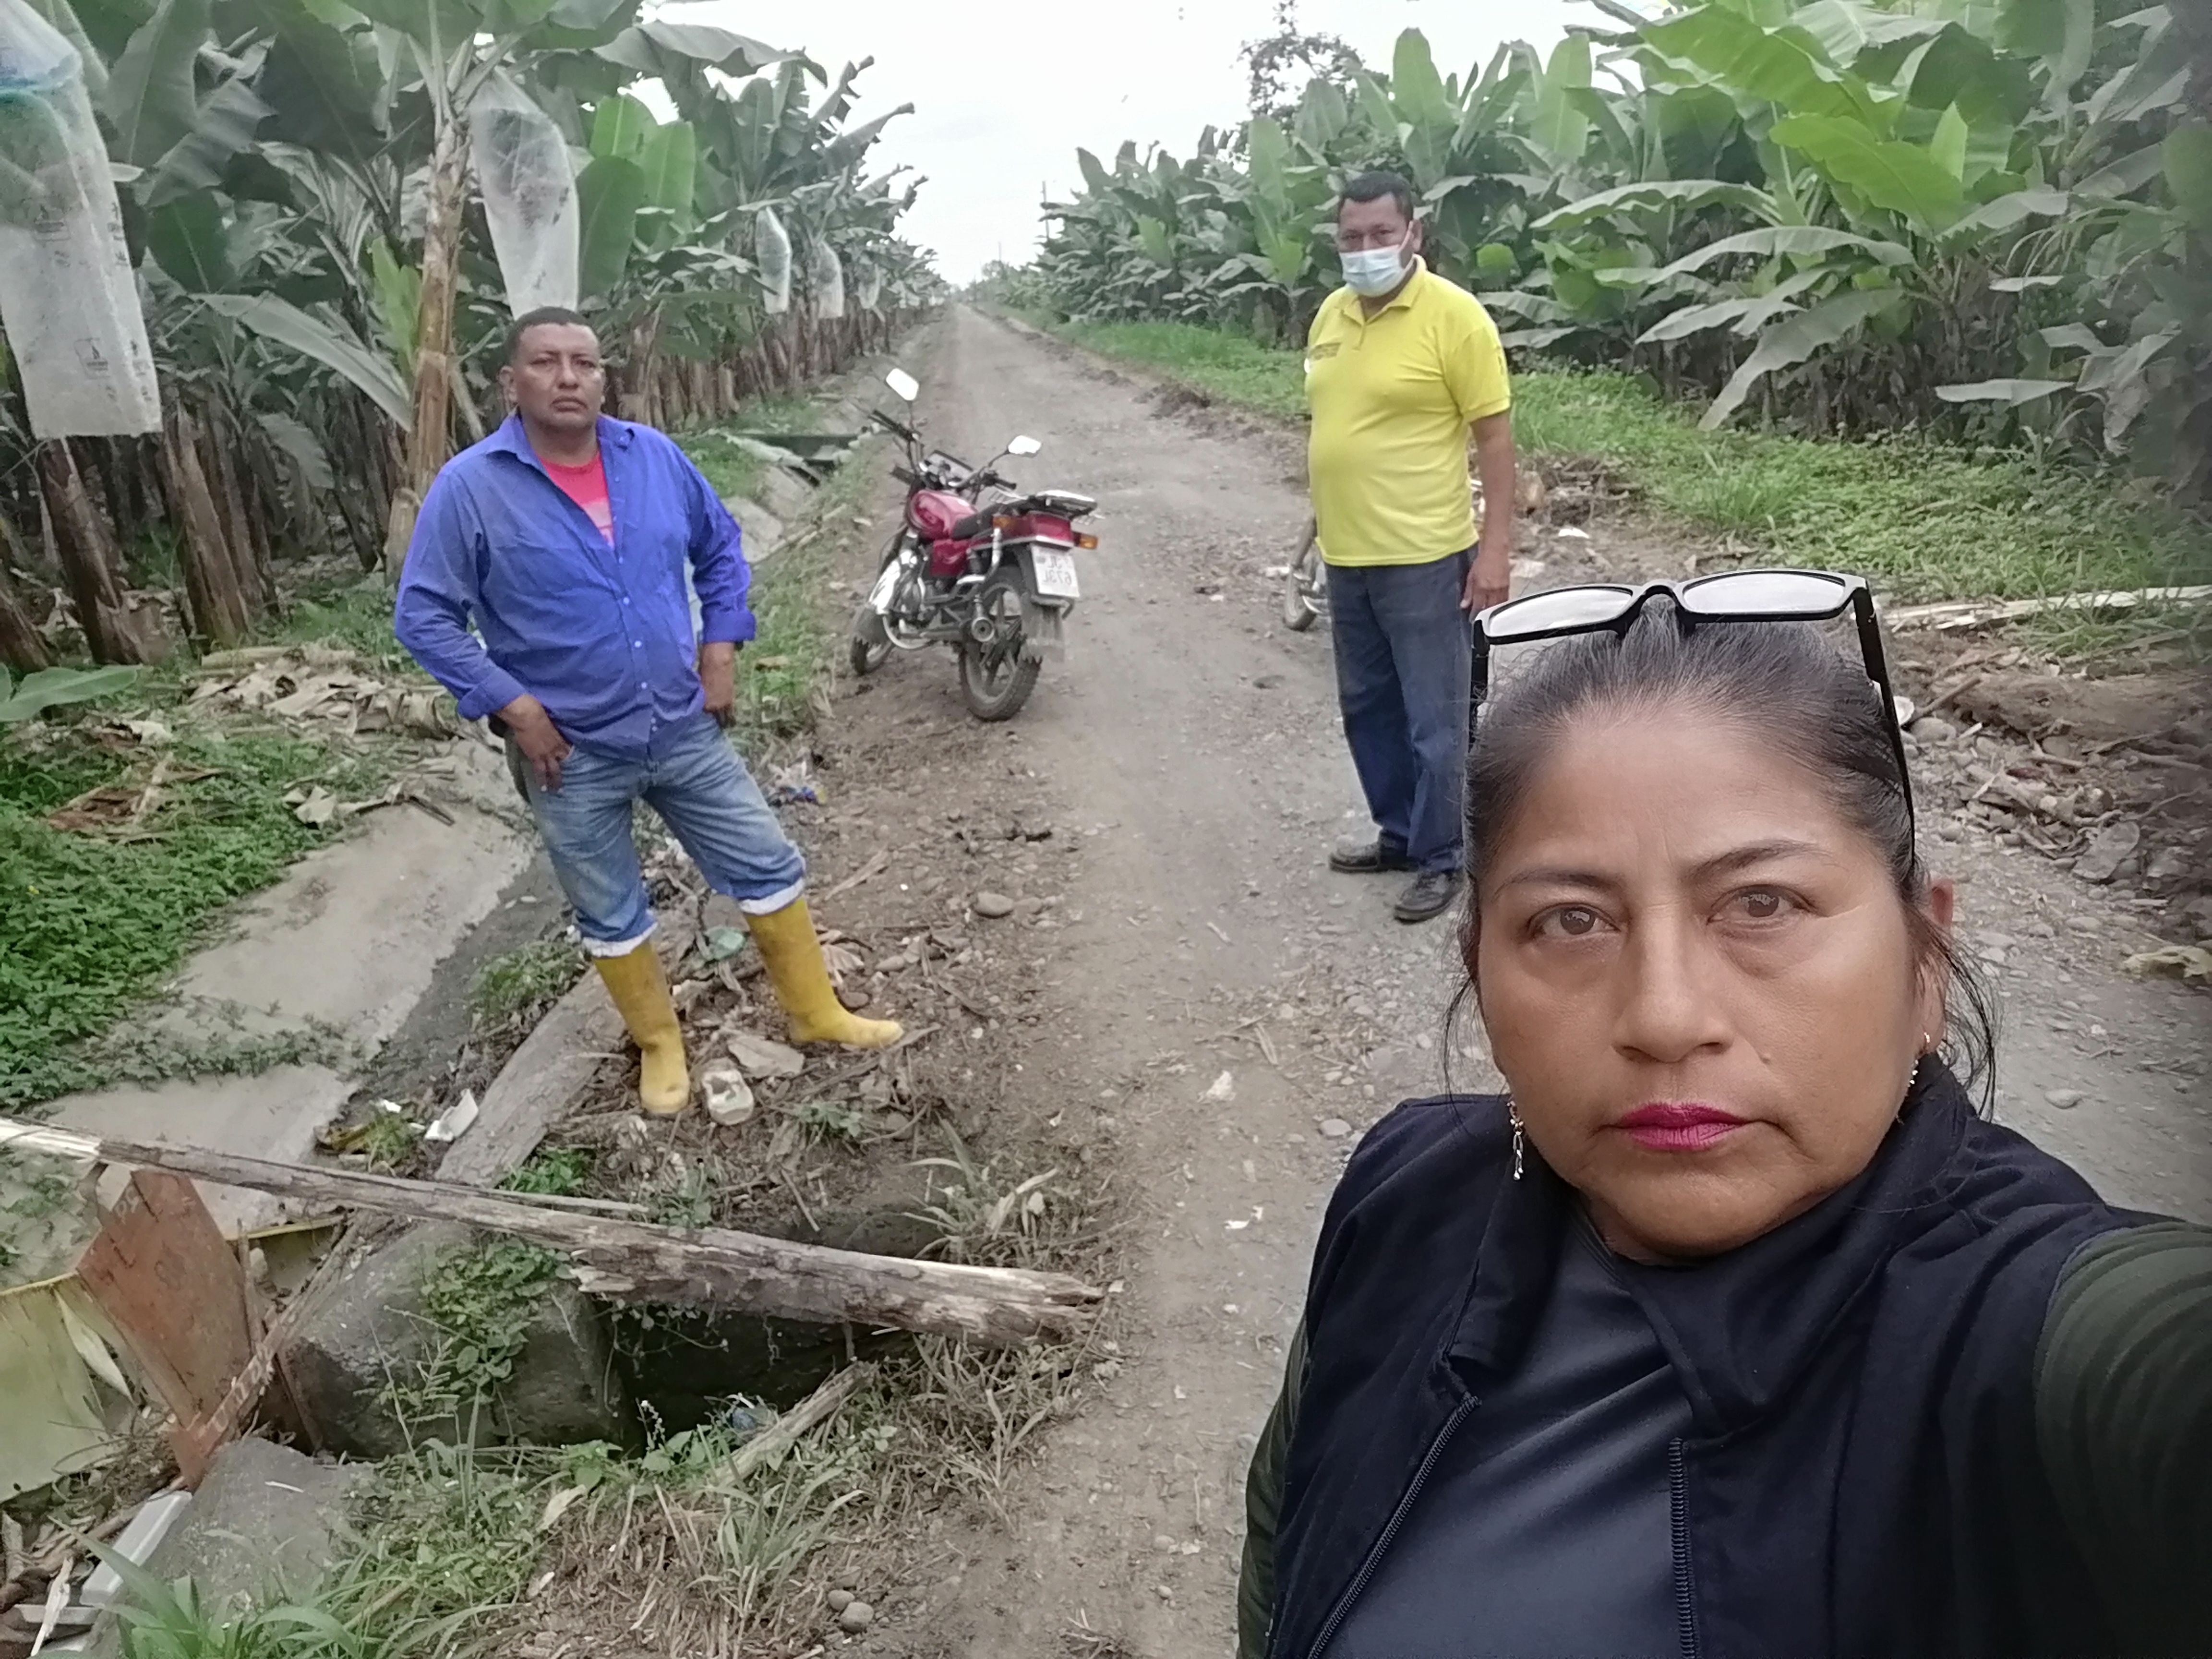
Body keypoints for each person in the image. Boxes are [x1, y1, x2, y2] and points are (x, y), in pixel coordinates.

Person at [1237, 575, 2212, 1659]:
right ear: (1480, 971)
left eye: (1763, 904)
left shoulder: (2036, 1336)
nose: (1664, 1018)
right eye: (1571, 922)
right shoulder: (1404, 1196)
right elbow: (1289, 1533)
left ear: (1925, 961)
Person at [395, 307, 899, 1117]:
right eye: (547, 363)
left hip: (681, 722)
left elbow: (719, 546)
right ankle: (661, 1044)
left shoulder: (655, 458)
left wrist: (720, 648)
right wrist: (515, 707)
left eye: (585, 363)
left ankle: (815, 1013)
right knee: (608, 905)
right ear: (510, 383)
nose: (568, 378)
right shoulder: (472, 488)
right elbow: (424, 617)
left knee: (766, 861)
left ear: (604, 378)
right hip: (570, 750)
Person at [1308, 169, 1518, 924]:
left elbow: (1495, 440)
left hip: (1425, 555)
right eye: (1351, 237)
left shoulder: (1455, 318)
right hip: (1347, 555)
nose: (1364, 248)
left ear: (1413, 234)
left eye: (1379, 234)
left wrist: (1495, 550)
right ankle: (1398, 834)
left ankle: (1443, 856)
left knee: (1437, 721)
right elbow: (1334, 427)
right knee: (1369, 709)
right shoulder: (1331, 315)